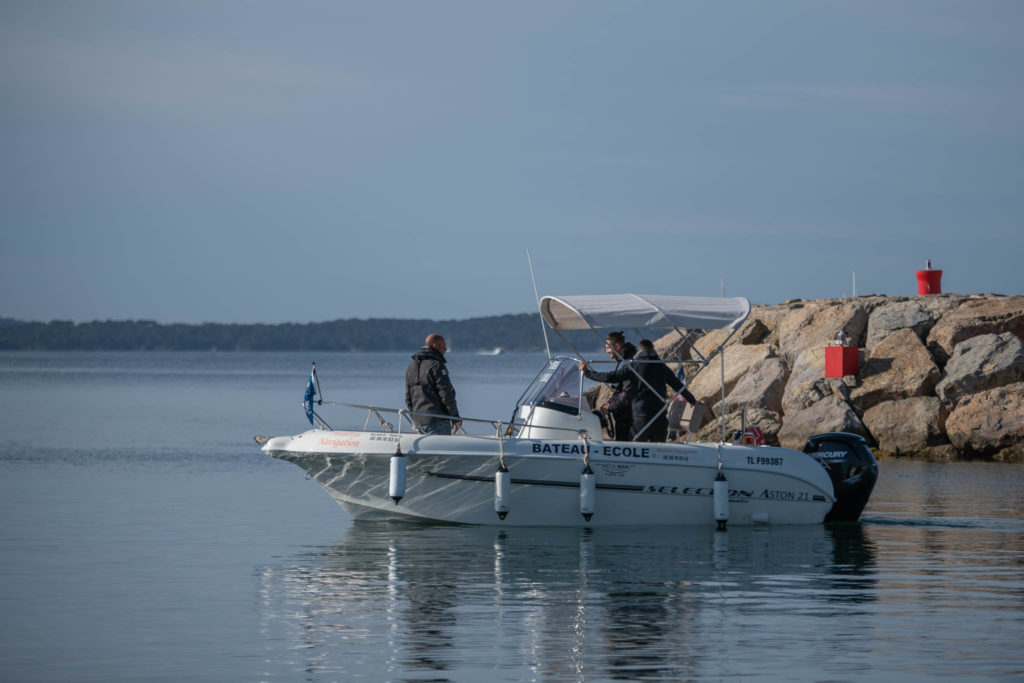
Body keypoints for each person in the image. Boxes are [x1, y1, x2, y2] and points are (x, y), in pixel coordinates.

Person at [580, 337, 695, 443]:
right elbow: (678, 385)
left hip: (641, 416)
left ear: (640, 351)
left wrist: (588, 373)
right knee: (657, 449)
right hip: (660, 416)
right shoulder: (662, 367)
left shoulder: (634, 366)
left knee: (634, 447)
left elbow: (610, 376)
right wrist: (692, 400)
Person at [580, 332, 635, 440]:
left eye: (607, 348)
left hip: (628, 414)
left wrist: (587, 373)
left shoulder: (629, 361)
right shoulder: (624, 360)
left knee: (623, 442)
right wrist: (610, 402)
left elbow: (618, 382)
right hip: (624, 412)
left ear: (617, 346)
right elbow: (620, 387)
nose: (606, 351)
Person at [405, 334, 460, 435]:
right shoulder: (437, 366)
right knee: (442, 450)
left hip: (418, 422)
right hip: (437, 421)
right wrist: (455, 418)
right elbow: (446, 395)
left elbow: (408, 399)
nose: (446, 349)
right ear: (435, 346)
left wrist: (415, 417)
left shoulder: (411, 367)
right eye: (444, 345)